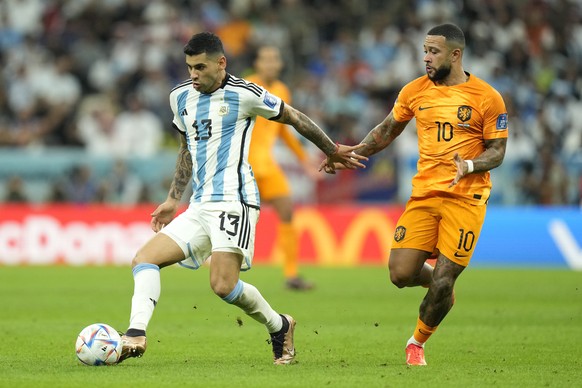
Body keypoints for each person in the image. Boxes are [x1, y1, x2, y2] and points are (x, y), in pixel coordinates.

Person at [118, 32, 366, 365]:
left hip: (235, 200)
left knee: (222, 285)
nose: (193, 74)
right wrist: (173, 198)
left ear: (221, 63)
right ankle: (136, 334)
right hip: (200, 203)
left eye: (200, 67)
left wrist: (331, 150)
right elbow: (186, 149)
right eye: (189, 67)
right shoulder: (179, 97)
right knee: (144, 259)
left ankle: (279, 326)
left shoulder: (244, 94)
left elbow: (294, 117)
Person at [321, 23, 508, 366]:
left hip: (466, 198)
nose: (426, 57)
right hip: (423, 196)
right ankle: (441, 289)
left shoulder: (487, 97)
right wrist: (354, 152)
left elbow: (498, 151)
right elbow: (387, 130)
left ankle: (416, 343)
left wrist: (470, 165)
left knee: (443, 279)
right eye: (424, 50)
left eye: (433, 51)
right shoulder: (414, 91)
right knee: (400, 274)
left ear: (455, 54)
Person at [246, 45, 317, 290]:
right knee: (237, 218)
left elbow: (284, 131)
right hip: (243, 165)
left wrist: (304, 160)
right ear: (256, 63)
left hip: (267, 165)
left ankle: (291, 275)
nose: (270, 64)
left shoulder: (281, 91)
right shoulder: (246, 87)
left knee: (287, 211)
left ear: (280, 64)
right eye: (265, 59)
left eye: (274, 59)